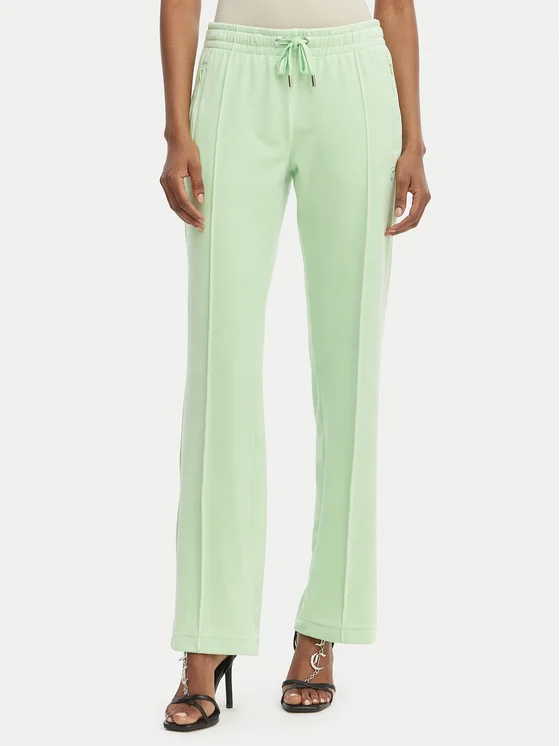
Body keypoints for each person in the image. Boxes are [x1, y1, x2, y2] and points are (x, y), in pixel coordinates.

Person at [160, 0, 430, 731]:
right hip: (235, 74)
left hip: (355, 77)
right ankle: (207, 633)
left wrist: (414, 138)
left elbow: (395, 4)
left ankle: (324, 624)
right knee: (218, 366)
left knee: (351, 369)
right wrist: (177, 128)